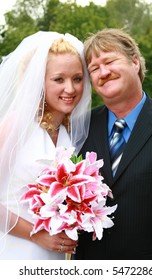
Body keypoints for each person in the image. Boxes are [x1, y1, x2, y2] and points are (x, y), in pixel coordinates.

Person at [75, 28, 152, 260]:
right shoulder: (79, 129)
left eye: (109, 61)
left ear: (135, 62)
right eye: (94, 69)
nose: (104, 72)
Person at [0, 31, 91, 259]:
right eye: (59, 79)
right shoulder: (17, 124)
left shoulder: (67, 134)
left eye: (77, 78)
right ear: (39, 81)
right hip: (15, 248)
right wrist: (34, 234)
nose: (70, 89)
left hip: (53, 255)